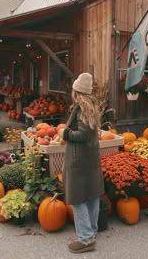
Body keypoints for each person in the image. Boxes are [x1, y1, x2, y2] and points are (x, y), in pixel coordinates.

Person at [62, 72, 105, 254]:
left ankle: (86, 239)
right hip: (89, 160)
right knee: (91, 195)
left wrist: (65, 134)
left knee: (78, 197)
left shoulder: (82, 110)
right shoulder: (91, 108)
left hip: (79, 160)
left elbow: (82, 134)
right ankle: (90, 233)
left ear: (77, 92)